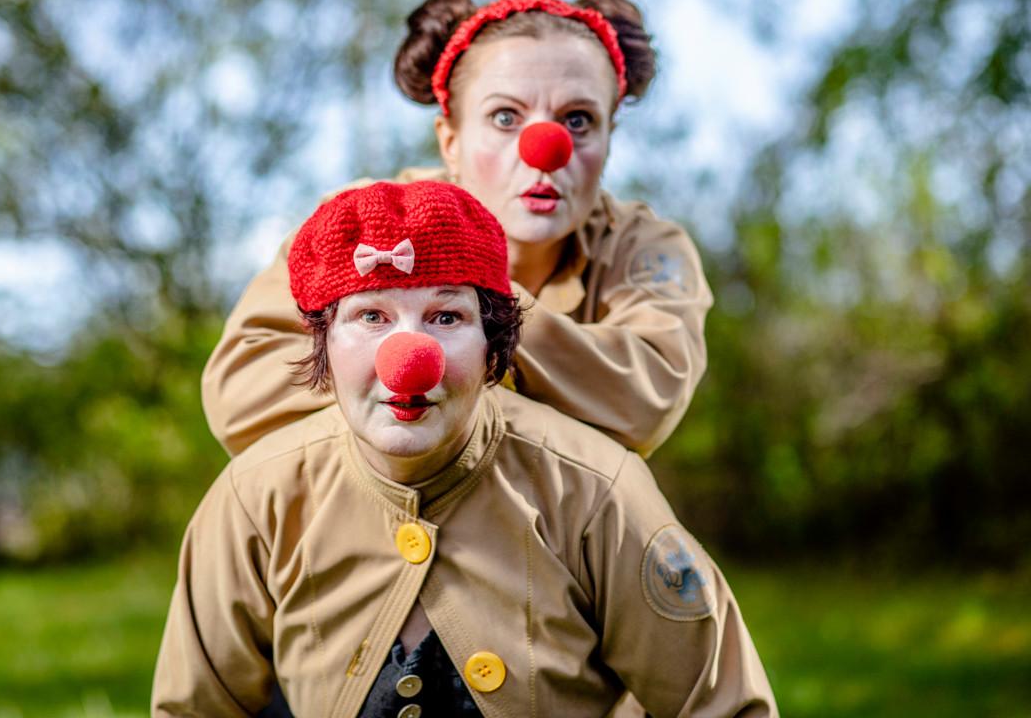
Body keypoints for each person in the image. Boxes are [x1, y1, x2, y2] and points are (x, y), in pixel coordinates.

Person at [152, 181, 775, 717]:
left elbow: (722, 705)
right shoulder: (251, 498)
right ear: (323, 344)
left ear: (493, 346)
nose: (408, 362)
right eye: (370, 317)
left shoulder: (599, 490)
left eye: (446, 317)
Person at [202, 0, 713, 461]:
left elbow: (647, 402)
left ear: (609, 136)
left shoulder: (646, 247)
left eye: (578, 119)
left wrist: (472, 311)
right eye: (506, 118)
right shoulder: (358, 223)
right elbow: (240, 395)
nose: (547, 152)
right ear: (450, 140)